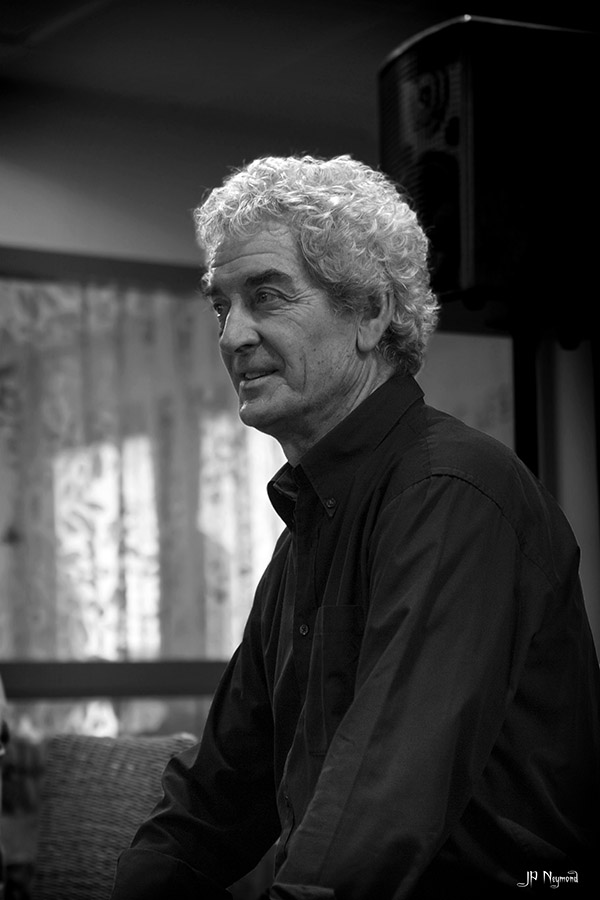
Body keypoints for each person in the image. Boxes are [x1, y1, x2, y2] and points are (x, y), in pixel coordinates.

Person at [110, 155, 600, 899]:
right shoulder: (309, 527)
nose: (233, 335)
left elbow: (373, 821)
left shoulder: (451, 492)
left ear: (370, 313)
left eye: (267, 296)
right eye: (221, 307)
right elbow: (215, 799)